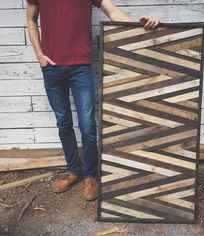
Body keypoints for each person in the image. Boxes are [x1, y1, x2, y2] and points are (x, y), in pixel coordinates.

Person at [26, 0, 160, 201]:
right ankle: (74, 171)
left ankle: (90, 176)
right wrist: (39, 54)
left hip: (80, 67)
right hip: (51, 68)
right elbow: (30, 18)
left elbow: (112, 10)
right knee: (63, 123)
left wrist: (141, 26)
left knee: (88, 126)